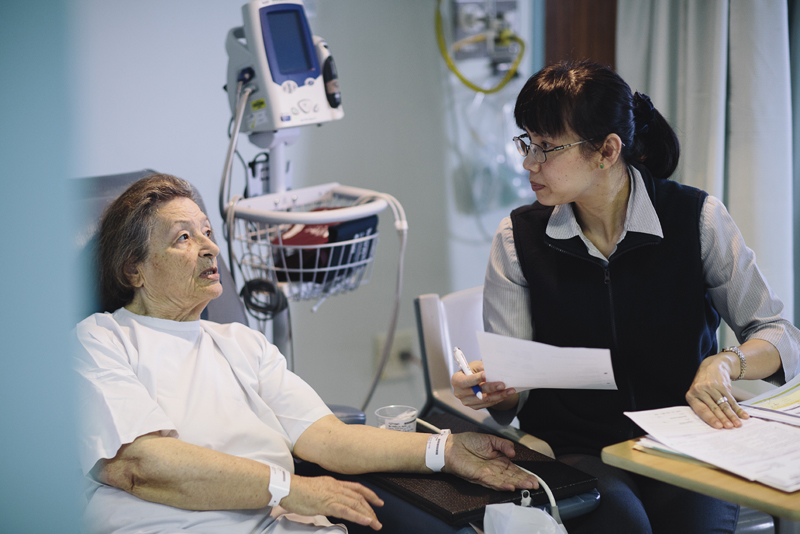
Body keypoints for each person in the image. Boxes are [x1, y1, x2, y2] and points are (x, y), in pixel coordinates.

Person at [74, 174, 539, 534]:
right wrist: (287, 487)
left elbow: (329, 438)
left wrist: (446, 449)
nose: (211, 247)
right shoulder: (99, 341)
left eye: (207, 232)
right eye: (183, 238)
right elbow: (140, 466)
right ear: (133, 270)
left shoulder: (241, 343)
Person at [451, 60, 800, 534]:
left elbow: (780, 335)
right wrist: (497, 390)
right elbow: (511, 398)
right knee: (622, 524)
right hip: (574, 448)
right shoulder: (518, 238)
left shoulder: (696, 219)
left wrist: (726, 363)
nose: (529, 163)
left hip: (685, 439)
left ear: (607, 151)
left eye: (547, 147)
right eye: (527, 142)